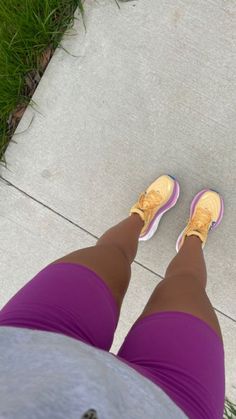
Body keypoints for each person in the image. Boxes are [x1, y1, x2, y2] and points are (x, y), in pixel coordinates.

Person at [0, 175, 225, 419]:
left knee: (110, 254)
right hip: (171, 406)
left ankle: (139, 217)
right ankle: (193, 237)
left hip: (24, 359)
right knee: (186, 285)